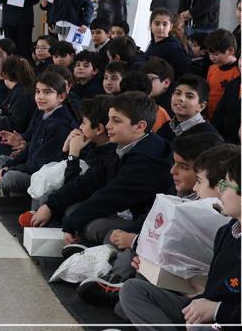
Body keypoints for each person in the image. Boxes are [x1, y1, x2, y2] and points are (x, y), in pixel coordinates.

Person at [119, 149, 242, 330]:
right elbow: (213, 289)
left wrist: (217, 310)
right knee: (133, 289)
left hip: (226, 318)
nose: (220, 191)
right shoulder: (227, 231)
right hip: (205, 306)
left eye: (225, 185)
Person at [33, 92, 172, 247]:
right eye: (109, 119)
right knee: (68, 208)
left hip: (143, 222)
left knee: (93, 228)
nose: (108, 126)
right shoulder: (124, 146)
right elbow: (90, 181)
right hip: (120, 210)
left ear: (139, 127)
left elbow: (112, 196)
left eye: (116, 121)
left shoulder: (148, 159)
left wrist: (71, 223)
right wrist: (51, 205)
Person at [156, 74, 219, 142]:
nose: (181, 98)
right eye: (178, 93)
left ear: (202, 106)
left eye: (190, 96)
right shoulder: (166, 127)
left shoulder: (208, 136)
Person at [145, 8, 191, 78]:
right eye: (157, 23)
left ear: (170, 27)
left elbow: (183, 72)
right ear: (150, 25)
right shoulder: (153, 43)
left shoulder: (174, 47)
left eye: (165, 24)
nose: (160, 28)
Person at [204, 29, 239, 117]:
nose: (212, 58)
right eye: (209, 54)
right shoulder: (212, 68)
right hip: (211, 115)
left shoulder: (239, 71)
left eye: (216, 54)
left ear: (231, 50)